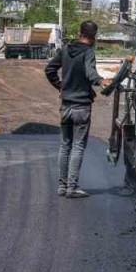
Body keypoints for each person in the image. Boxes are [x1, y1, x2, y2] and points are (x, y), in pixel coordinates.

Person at [44, 20, 110, 199]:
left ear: (80, 32)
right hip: (81, 106)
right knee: (78, 147)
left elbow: (50, 69)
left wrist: (60, 85)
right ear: (93, 36)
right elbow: (90, 72)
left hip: (65, 105)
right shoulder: (88, 52)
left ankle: (62, 186)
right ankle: (72, 188)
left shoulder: (65, 49)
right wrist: (101, 80)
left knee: (65, 145)